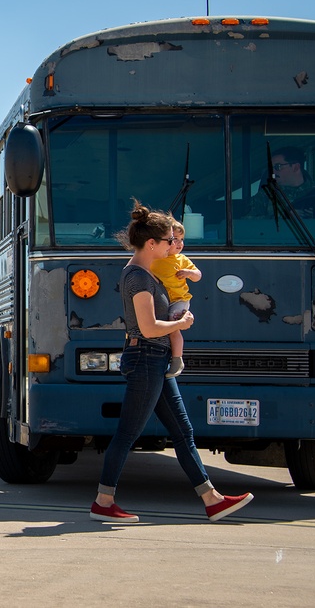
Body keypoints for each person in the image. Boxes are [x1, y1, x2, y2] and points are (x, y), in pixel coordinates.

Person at [90, 200, 253, 524]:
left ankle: (212, 499)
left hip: (156, 360)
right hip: (146, 358)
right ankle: (103, 503)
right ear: (152, 244)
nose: (173, 246)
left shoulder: (147, 274)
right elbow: (149, 327)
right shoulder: (138, 278)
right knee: (127, 434)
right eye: (168, 241)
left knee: (183, 433)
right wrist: (180, 324)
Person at [150, 219, 200, 379]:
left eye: (181, 239)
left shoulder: (182, 259)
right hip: (162, 300)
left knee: (174, 325)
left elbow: (198, 275)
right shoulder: (155, 258)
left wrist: (189, 273)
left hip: (179, 300)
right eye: (174, 239)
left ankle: (177, 360)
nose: (178, 243)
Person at [250, 146, 315, 218]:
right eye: (271, 168)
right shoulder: (266, 195)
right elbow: (245, 222)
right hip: (278, 248)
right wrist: (282, 218)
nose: (273, 171)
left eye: (278, 167)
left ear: (295, 167)